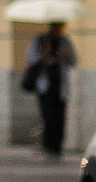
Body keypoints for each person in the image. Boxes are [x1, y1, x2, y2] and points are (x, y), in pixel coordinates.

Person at [25, 21, 77, 157]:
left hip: (60, 86)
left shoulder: (64, 41)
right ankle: (47, 146)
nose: (57, 29)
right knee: (47, 116)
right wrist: (43, 54)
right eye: (55, 26)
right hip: (45, 85)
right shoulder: (40, 40)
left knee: (60, 117)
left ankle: (57, 147)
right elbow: (30, 57)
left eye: (59, 27)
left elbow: (74, 61)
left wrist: (67, 56)